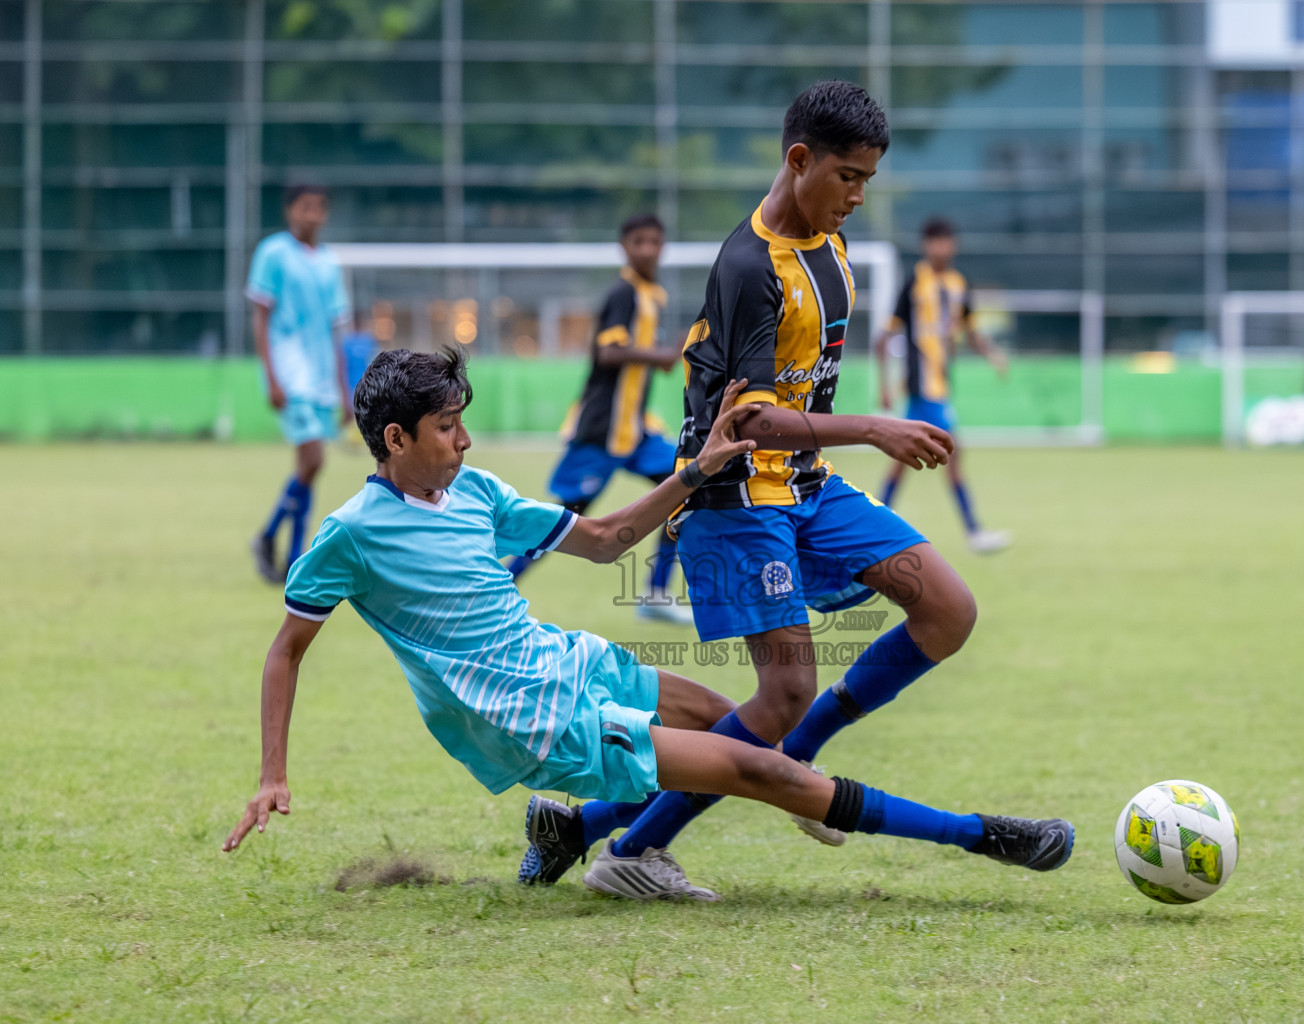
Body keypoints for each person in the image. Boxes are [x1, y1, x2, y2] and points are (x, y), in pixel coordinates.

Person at [220, 350, 1075, 904]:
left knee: (729, 719)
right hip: (520, 711)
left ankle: (580, 829)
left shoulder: (475, 493)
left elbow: (601, 540)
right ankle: (983, 838)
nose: (466, 439)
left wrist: (694, 473)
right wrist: (271, 774)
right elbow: (287, 648)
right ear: (396, 437)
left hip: (562, 657)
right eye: (448, 427)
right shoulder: (348, 535)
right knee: (755, 765)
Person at [514, 81, 1069, 899]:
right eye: (847, 176)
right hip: (735, 497)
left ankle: (602, 818)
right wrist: (878, 427)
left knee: (948, 609)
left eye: (868, 180)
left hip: (811, 487)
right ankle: (629, 849)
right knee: (781, 696)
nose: (857, 195)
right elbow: (754, 423)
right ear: (799, 160)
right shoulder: (749, 266)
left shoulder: (831, 246)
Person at [507, 214, 690, 626]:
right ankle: (501, 582)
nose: (647, 249)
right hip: (601, 431)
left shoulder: (651, 295)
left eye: (655, 242)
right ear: (624, 246)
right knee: (566, 518)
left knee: (683, 489)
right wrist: (660, 355)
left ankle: (657, 594)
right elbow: (609, 353)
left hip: (635, 431)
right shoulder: (623, 293)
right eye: (639, 241)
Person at [874, 217, 1010, 554]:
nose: (941, 248)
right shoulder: (913, 284)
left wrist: (993, 354)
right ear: (926, 246)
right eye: (935, 242)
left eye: (946, 241)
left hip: (942, 386)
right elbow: (884, 337)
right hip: (922, 388)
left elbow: (972, 330)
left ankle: (874, 524)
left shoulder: (958, 284)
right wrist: (886, 385)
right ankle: (974, 532)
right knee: (951, 452)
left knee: (905, 460)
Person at [247, 184, 352, 583]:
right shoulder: (273, 252)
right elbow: (260, 316)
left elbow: (336, 329)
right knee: (314, 460)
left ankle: (272, 537)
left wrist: (345, 390)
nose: (313, 215)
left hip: (322, 378)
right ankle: (292, 555)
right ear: (290, 210)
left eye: (320, 208)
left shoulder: (329, 263)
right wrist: (271, 375)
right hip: (289, 374)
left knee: (309, 467)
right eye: (306, 207)